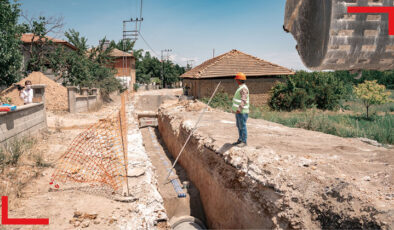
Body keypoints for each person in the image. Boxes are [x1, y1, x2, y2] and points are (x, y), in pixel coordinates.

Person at [232, 72, 249, 147]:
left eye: (237, 79)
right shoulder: (241, 87)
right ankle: (240, 139)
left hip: (242, 111)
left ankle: (244, 141)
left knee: (242, 126)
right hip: (239, 111)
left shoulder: (243, 88)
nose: (236, 81)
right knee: (239, 126)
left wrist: (239, 109)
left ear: (239, 80)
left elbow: (243, 100)